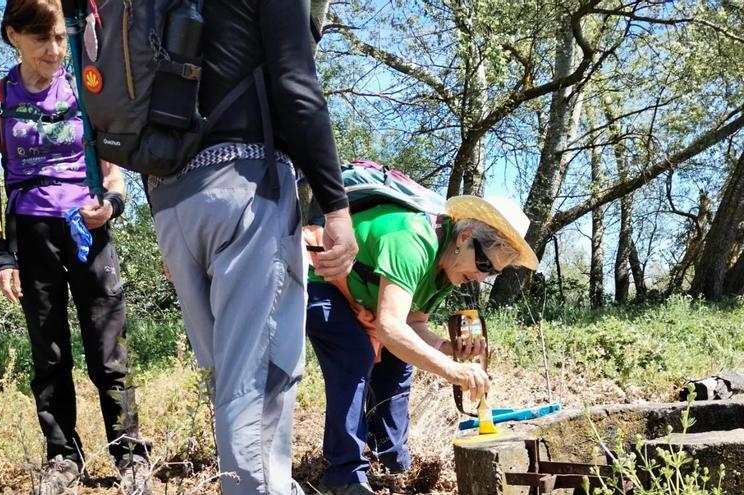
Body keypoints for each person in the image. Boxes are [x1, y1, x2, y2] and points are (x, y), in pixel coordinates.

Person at [147, 1, 358, 494]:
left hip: (171, 202)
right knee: (259, 386)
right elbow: (296, 87)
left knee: (230, 386)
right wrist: (336, 206)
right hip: (245, 191)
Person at [0, 1, 151, 493]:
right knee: (48, 354)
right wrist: (0, 253)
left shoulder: (88, 89)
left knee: (108, 348)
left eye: (60, 39)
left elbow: (116, 173)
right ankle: (63, 458)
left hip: (88, 229)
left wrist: (111, 203)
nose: (54, 50)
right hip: (31, 232)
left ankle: (130, 455)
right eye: (41, 38)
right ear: (14, 35)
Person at [304, 195, 540, 495]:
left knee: (398, 365)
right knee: (355, 354)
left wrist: (449, 348)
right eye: (483, 263)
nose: (481, 277)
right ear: (465, 236)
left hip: (362, 298)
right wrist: (453, 371)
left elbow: (412, 325)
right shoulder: (413, 241)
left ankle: (390, 461)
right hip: (320, 276)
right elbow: (390, 328)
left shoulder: (446, 272)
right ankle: (343, 475)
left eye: (491, 273)